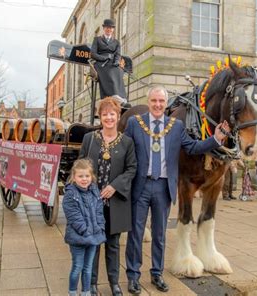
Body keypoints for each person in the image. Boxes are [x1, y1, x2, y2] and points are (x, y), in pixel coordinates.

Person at [124, 85, 230, 294]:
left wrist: (216, 139)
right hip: (141, 186)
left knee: (160, 234)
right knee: (136, 233)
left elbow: (193, 147)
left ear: (165, 103)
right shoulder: (135, 123)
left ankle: (157, 273)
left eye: (161, 101)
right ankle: (133, 276)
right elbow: (124, 150)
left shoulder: (176, 126)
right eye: (154, 101)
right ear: (149, 102)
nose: (157, 105)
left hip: (163, 187)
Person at [78, 97, 137, 296]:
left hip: (115, 201)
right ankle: (92, 283)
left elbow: (131, 169)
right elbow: (81, 166)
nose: (109, 117)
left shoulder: (127, 142)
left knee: (113, 244)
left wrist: (114, 186)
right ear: (100, 116)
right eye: (105, 114)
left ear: (118, 116)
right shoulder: (90, 139)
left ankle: (114, 283)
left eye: (112, 114)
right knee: (93, 243)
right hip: (92, 201)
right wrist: (88, 185)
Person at [62, 159, 107, 296]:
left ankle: (86, 292)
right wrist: (85, 231)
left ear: (91, 176)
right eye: (80, 176)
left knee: (88, 268)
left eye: (87, 176)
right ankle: (72, 292)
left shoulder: (94, 191)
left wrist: (100, 227)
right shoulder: (71, 194)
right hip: (79, 238)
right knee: (77, 267)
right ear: (74, 177)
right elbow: (74, 217)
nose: (84, 179)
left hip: (93, 236)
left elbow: (99, 212)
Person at [90, 19, 127, 101]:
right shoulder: (97, 39)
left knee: (119, 70)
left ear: (113, 29)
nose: (109, 29)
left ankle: (121, 96)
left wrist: (116, 61)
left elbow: (118, 54)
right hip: (100, 63)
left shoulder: (116, 42)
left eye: (111, 28)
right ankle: (110, 95)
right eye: (107, 27)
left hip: (112, 62)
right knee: (108, 71)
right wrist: (104, 58)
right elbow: (93, 54)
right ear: (104, 28)